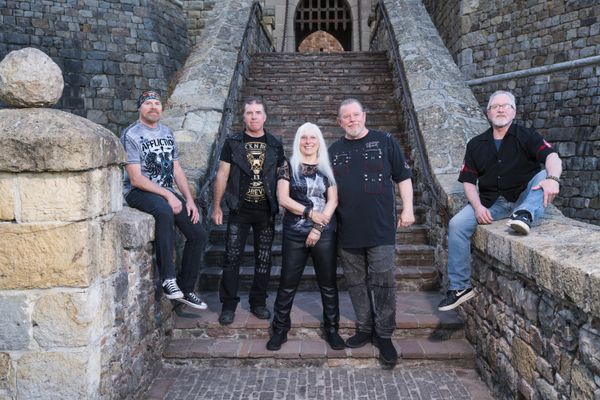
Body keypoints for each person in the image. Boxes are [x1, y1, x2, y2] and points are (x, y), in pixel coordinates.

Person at [438, 90, 562, 312]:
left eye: (506, 106)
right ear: (488, 113)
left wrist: (553, 179)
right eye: (495, 106)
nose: (500, 110)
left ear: (514, 112)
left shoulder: (527, 136)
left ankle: (525, 214)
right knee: (457, 224)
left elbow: (552, 157)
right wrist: (478, 207)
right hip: (491, 202)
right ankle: (460, 287)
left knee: (544, 175)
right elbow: (468, 181)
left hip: (524, 196)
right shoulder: (476, 144)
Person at [329, 98, 415, 369]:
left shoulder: (385, 141)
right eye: (346, 116)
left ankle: (384, 334)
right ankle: (365, 328)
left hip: (381, 228)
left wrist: (408, 209)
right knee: (356, 283)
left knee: (383, 281)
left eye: (356, 114)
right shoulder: (333, 150)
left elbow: (403, 177)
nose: (352, 119)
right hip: (347, 229)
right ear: (339, 122)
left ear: (364, 116)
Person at [121, 90, 207, 309]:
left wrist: (189, 200)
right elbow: (135, 178)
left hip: (164, 190)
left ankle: (186, 288)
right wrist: (169, 195)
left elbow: (176, 169)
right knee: (164, 211)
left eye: (157, 103)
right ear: (140, 108)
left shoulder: (167, 132)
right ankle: (168, 279)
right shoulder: (130, 134)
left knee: (198, 233)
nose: (153, 107)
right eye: (148, 103)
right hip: (138, 191)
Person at [266, 122, 345, 351]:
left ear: (319, 141)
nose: (308, 142)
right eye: (303, 137)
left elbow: (333, 200)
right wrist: (310, 213)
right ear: (298, 141)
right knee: (287, 283)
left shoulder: (327, 167)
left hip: (324, 233)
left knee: (328, 284)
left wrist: (317, 228)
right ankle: (280, 330)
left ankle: (332, 330)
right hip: (294, 232)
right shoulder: (287, 166)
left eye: (312, 137)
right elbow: (283, 199)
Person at [212, 97, 285, 326]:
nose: (254, 116)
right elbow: (222, 174)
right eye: (249, 113)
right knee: (231, 257)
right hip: (239, 208)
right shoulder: (232, 142)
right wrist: (216, 206)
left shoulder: (275, 144)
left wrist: (284, 201)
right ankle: (228, 305)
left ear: (265, 116)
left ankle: (258, 302)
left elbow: (282, 175)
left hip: (266, 210)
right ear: (243, 117)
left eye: (258, 112)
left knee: (263, 258)